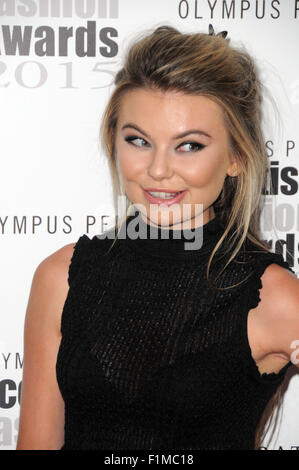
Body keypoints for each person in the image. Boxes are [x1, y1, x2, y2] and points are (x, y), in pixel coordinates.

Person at [16, 24, 299, 451]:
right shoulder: (62, 277)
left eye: (188, 146)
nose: (159, 169)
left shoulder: (273, 296)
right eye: (139, 140)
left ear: (236, 157)